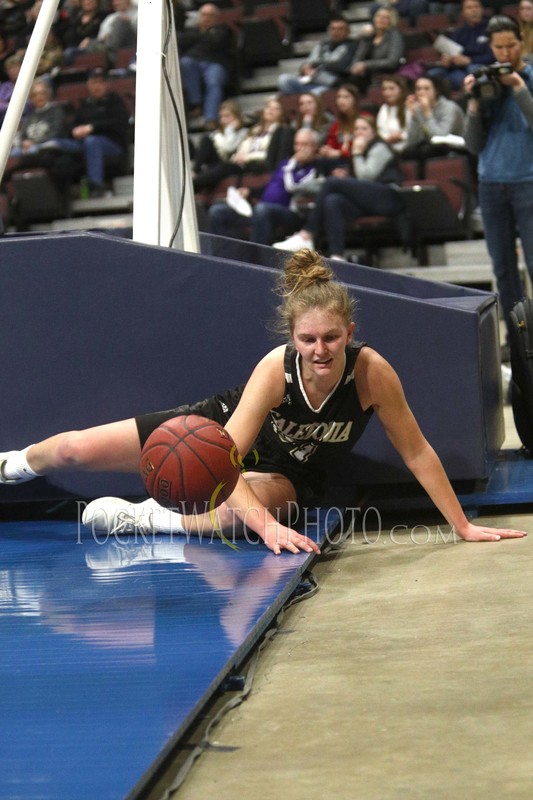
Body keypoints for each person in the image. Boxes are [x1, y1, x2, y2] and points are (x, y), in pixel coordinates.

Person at [0, 250, 526, 553]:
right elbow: (223, 458)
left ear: (349, 333)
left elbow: (417, 452)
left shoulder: (372, 373)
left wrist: (461, 525)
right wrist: (269, 528)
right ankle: (12, 464)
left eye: (331, 338)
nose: (320, 350)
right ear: (292, 338)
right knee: (69, 450)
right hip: (216, 436)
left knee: (240, 518)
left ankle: (148, 519)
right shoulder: (277, 368)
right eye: (308, 339)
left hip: (289, 471)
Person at [463, 14, 533, 356]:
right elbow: (473, 144)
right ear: (490, 47)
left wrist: (518, 87)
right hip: (491, 184)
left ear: (521, 42)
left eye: (511, 45)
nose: (505, 53)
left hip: (528, 181)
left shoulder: (529, 77)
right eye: (498, 47)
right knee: (504, 270)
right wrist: (475, 103)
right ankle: (520, 338)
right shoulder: (484, 82)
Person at [273, 115, 407, 259]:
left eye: (364, 128)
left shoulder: (380, 147)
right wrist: (346, 175)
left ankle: (307, 235)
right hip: (367, 201)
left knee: (332, 182)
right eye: (356, 129)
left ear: (374, 132)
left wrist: (356, 153)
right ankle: (337, 255)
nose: (359, 132)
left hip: (387, 197)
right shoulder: (359, 150)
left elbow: (366, 177)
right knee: (333, 200)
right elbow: (359, 181)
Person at [207, 128, 321, 245]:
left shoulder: (315, 166)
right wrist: (249, 191)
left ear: (315, 146)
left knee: (262, 209)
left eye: (304, 144)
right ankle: (214, 253)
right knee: (217, 211)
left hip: (289, 213)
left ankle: (256, 255)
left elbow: (292, 187)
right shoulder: (285, 163)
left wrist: (293, 162)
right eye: (296, 144)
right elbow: (271, 187)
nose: (299, 148)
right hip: (262, 210)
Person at [45, 67, 130, 196]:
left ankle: (96, 185)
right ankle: (55, 189)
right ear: (88, 85)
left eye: (100, 82)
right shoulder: (85, 104)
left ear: (106, 84)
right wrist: (74, 131)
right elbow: (74, 124)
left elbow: (118, 123)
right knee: (56, 143)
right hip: (84, 143)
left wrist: (92, 128)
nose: (97, 86)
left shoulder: (115, 101)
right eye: (93, 82)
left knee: (92, 141)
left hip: (112, 144)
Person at [193, 97, 294, 192]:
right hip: (241, 162)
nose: (271, 110)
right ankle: (194, 177)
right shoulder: (254, 130)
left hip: (256, 164)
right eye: (268, 107)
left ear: (282, 114)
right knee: (207, 142)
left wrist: (247, 157)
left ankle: (193, 186)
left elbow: (270, 155)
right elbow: (243, 148)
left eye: (276, 109)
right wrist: (238, 156)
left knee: (224, 167)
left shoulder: (281, 132)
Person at [177, 2, 235, 130]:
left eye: (210, 15)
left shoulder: (223, 29)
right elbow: (181, 41)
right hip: (193, 62)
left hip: (215, 63)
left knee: (213, 81)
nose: (207, 18)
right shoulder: (191, 30)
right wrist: (206, 36)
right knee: (185, 63)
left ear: (217, 17)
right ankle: (196, 105)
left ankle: (211, 118)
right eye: (204, 15)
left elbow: (216, 42)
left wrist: (196, 39)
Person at [402, 74, 465, 176]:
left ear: (436, 91)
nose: (421, 92)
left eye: (426, 89)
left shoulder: (449, 108)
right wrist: (413, 117)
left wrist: (427, 113)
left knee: (426, 151)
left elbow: (440, 136)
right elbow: (412, 141)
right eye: (418, 89)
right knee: (407, 152)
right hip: (430, 145)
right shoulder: (418, 108)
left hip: (453, 145)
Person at [277, 15, 355, 96]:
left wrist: (316, 70)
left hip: (328, 84)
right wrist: (304, 67)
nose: (336, 32)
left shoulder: (353, 46)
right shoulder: (322, 45)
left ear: (348, 31)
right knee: (283, 79)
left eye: (340, 29)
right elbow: (308, 63)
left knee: (314, 95)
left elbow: (340, 66)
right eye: (333, 29)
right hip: (309, 81)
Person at [427, 0, 493, 91]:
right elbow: (452, 52)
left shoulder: (490, 28)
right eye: (469, 8)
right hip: (458, 69)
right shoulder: (458, 32)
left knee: (474, 70)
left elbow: (493, 56)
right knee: (433, 74)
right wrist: (448, 61)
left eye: (476, 7)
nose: (474, 10)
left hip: (480, 65)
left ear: (482, 9)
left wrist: (469, 60)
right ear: (463, 12)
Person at [192, 99, 249, 192]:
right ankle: (194, 171)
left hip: (235, 165)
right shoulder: (217, 135)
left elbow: (229, 147)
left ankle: (193, 185)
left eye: (227, 116)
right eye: (221, 117)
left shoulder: (245, 133)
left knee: (223, 167)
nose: (223, 120)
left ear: (237, 116)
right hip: (219, 164)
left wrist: (231, 129)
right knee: (206, 140)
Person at [349, 7, 404, 94]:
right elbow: (358, 56)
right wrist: (356, 66)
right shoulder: (370, 36)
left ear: (391, 21)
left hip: (385, 74)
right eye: (379, 16)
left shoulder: (394, 35)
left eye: (385, 17)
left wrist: (366, 65)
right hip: (366, 75)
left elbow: (392, 62)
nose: (381, 19)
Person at [10, 79, 66, 157]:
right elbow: (23, 135)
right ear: (31, 98)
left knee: (34, 150)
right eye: (35, 95)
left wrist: (34, 143)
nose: (39, 97)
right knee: (13, 153)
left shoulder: (56, 112)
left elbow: (55, 133)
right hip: (30, 147)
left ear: (48, 94)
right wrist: (24, 142)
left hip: (47, 146)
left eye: (42, 93)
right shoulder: (31, 116)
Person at [318, 83, 360, 164]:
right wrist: (327, 150)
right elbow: (331, 144)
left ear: (355, 100)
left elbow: (363, 149)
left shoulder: (363, 119)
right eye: (338, 97)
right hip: (338, 162)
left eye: (346, 97)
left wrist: (340, 153)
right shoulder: (336, 124)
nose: (341, 100)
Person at [376, 75, 413, 154]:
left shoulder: (409, 106)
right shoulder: (384, 108)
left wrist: (402, 136)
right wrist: (388, 138)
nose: (387, 92)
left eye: (391, 88)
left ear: (401, 90)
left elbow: (413, 129)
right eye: (384, 89)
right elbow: (381, 130)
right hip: (388, 147)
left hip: (409, 146)